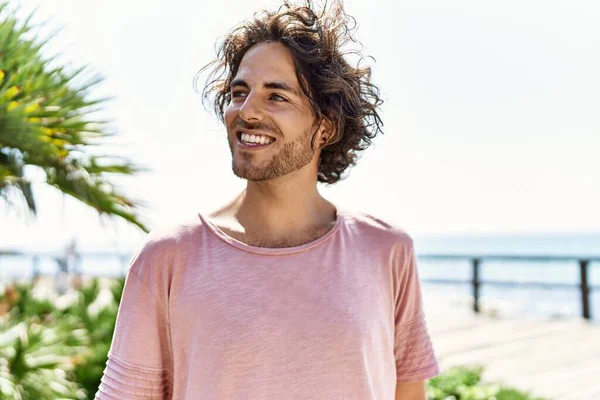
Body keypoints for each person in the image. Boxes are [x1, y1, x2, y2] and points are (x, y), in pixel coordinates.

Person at [95, 1, 441, 399]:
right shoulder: (168, 257)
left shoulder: (387, 251)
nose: (247, 111)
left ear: (325, 127)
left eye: (276, 96)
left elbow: (408, 392)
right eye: (240, 92)